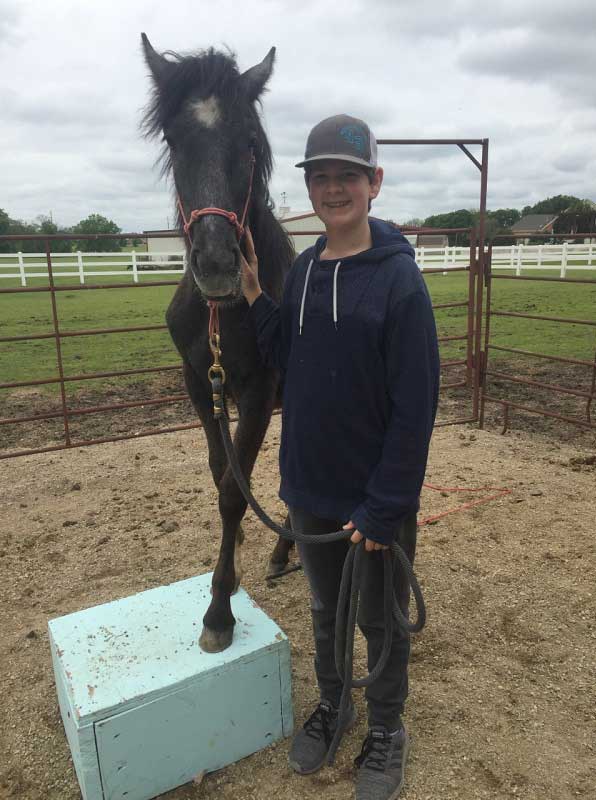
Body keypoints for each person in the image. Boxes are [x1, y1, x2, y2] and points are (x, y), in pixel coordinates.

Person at [240, 114, 440, 800]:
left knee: (378, 619)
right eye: (320, 177)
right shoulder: (301, 271)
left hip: (372, 499)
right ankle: (336, 705)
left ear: (373, 184)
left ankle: (387, 727)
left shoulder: (399, 286)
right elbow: (291, 360)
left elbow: (416, 410)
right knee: (325, 608)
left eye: (346, 176)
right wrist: (255, 299)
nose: (333, 189)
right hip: (310, 485)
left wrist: (386, 506)